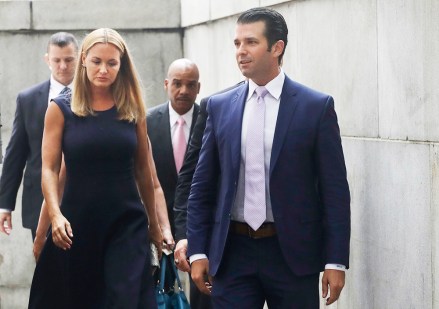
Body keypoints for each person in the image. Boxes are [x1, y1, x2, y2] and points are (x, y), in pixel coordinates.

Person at [187, 7, 351, 308]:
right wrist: (198, 250)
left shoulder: (316, 107)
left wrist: (336, 260)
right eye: (237, 43)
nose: (240, 51)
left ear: (277, 48)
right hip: (232, 252)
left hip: (292, 255)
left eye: (250, 42)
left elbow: (335, 192)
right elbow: (202, 187)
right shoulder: (218, 106)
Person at [28, 28, 162, 308]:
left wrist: (155, 225)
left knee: (123, 299)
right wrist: (54, 217)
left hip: (126, 224)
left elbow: (143, 171)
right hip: (76, 225)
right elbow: (51, 170)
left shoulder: (133, 109)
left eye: (112, 63)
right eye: (97, 61)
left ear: (121, 65)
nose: (104, 69)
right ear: (84, 60)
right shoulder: (60, 109)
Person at [0, 32, 78, 240]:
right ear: (47, 60)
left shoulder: (94, 96)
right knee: (45, 267)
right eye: (57, 60)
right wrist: (5, 204)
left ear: (79, 58)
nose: (62, 66)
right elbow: (16, 153)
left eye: (69, 60)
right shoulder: (28, 99)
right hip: (39, 198)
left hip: (82, 194)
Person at [148, 58, 212, 308]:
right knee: (162, 291)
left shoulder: (210, 120)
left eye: (190, 84)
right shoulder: (146, 121)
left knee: (203, 290)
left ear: (198, 88)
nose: (183, 90)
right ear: (166, 84)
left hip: (199, 222)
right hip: (159, 221)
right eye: (177, 83)